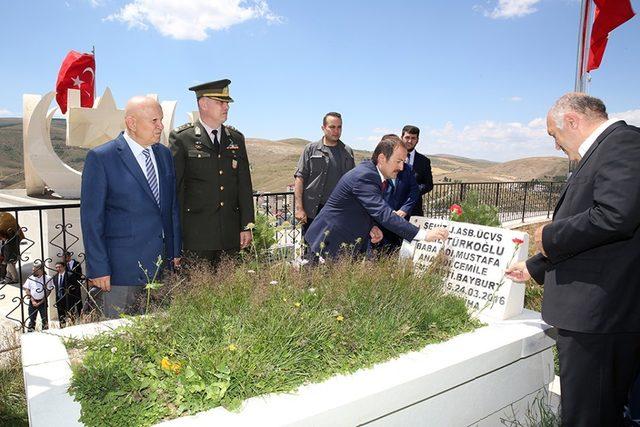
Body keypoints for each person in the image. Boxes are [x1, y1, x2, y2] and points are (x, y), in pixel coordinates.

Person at [505, 93, 640, 426]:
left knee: (588, 416)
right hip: (594, 310)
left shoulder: (624, 144)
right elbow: (596, 238)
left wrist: (551, 235)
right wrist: (535, 265)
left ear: (572, 121)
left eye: (554, 135)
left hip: (599, 315)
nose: (555, 145)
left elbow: (615, 216)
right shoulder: (607, 149)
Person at [81, 96, 181, 319]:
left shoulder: (164, 155)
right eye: (154, 120)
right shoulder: (102, 158)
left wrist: (174, 250)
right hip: (120, 273)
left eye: (161, 120)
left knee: (159, 334)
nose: (161, 126)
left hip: (160, 267)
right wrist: (98, 268)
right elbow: (92, 219)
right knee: (119, 339)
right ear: (132, 123)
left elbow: (171, 207)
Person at [304, 135, 448, 259]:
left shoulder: (373, 174)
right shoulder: (365, 176)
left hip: (340, 242)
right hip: (327, 242)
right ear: (382, 158)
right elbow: (383, 213)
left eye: (403, 162)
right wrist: (424, 235)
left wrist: (371, 226)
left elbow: (362, 207)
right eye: (398, 161)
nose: (402, 167)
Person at [169, 79, 254, 264]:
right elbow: (176, 189)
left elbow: (244, 185)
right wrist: (176, 236)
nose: (226, 107)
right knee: (197, 290)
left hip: (230, 234)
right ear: (203, 104)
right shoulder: (183, 138)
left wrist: (246, 226)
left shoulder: (236, 139)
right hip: (196, 236)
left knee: (229, 290)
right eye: (220, 102)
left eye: (227, 103)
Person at [294, 112, 355, 236]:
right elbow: (299, 179)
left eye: (339, 127)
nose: (336, 131)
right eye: (332, 127)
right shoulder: (310, 149)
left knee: (335, 252)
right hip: (313, 211)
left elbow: (353, 183)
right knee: (310, 251)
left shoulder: (347, 152)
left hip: (338, 211)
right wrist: (299, 209)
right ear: (323, 128)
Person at [401, 125, 433, 218]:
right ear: (401, 137)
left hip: (415, 210)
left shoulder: (424, 161)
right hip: (394, 209)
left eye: (413, 138)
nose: (410, 141)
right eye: (407, 137)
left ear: (417, 140)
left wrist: (413, 191)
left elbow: (428, 184)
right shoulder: (392, 158)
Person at [23, 263, 53, 332]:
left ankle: (45, 332)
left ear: (40, 270)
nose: (33, 272)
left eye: (35, 270)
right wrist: (33, 300)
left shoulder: (47, 278)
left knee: (44, 319)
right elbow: (27, 289)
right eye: (33, 270)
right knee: (32, 319)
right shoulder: (31, 278)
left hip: (43, 302)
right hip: (32, 302)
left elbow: (48, 291)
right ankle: (30, 333)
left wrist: (41, 302)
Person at [0, 212, 24, 284]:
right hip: (9, 257)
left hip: (11, 257)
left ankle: (15, 279)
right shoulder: (7, 242)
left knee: (10, 268)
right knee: (8, 268)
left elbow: (13, 249)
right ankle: (7, 280)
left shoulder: (10, 242)